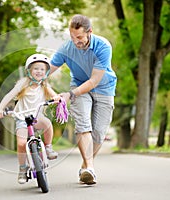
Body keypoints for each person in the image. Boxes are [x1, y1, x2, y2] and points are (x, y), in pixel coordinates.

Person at [50, 14, 117, 185]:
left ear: (89, 32)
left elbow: (94, 80)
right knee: (83, 126)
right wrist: (31, 78)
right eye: (72, 37)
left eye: (79, 37)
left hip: (104, 87)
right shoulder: (67, 48)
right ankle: (89, 168)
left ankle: (86, 165)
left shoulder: (103, 46)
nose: (76, 41)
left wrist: (69, 95)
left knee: (99, 133)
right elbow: (49, 68)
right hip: (79, 86)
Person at [0, 53, 59, 184]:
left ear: (46, 72)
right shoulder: (23, 83)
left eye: (42, 69)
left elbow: (54, 95)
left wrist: (58, 99)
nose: (39, 71)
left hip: (36, 117)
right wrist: (0, 108)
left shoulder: (44, 85)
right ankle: (22, 168)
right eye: (36, 68)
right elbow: (9, 95)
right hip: (22, 117)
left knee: (47, 124)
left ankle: (48, 147)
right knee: (21, 143)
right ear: (29, 70)